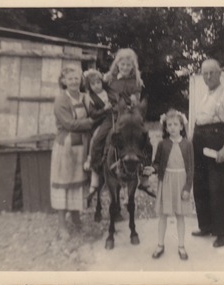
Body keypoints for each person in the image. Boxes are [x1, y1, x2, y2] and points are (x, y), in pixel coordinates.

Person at [191, 59, 224, 248]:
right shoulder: (205, 95)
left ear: (220, 74)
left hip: (216, 144)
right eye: (205, 73)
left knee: (217, 188)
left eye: (212, 72)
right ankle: (206, 226)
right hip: (200, 143)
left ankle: (223, 233)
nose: (208, 76)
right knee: (200, 185)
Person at [50, 65, 94, 239]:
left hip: (82, 147)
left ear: (81, 80)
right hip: (66, 147)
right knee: (64, 184)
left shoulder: (85, 97)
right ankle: (62, 225)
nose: (74, 81)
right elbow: (69, 124)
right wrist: (91, 122)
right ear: (63, 81)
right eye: (70, 79)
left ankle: (76, 218)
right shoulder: (61, 100)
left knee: (78, 183)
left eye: (76, 78)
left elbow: (96, 113)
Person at [143, 109, 194, 260]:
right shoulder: (162, 144)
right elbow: (157, 163)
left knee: (180, 215)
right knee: (163, 216)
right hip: (166, 181)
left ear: (181, 126)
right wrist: (152, 169)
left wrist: (187, 188)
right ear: (165, 128)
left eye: (175, 124)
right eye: (169, 125)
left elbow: (191, 169)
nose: (172, 127)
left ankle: (181, 246)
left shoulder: (187, 145)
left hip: (181, 181)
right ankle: (160, 245)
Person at [104, 48, 151, 192]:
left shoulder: (136, 81)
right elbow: (99, 92)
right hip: (113, 114)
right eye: (122, 64)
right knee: (101, 136)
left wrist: (134, 100)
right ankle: (99, 166)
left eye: (128, 65)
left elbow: (137, 99)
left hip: (130, 116)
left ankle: (144, 174)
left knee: (145, 139)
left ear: (133, 66)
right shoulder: (109, 79)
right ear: (117, 64)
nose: (125, 68)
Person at [82, 69, 113, 195]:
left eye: (98, 82)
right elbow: (92, 114)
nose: (96, 86)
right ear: (89, 86)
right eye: (93, 84)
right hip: (102, 120)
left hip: (113, 117)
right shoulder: (91, 98)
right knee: (97, 138)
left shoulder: (108, 92)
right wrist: (105, 109)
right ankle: (92, 162)